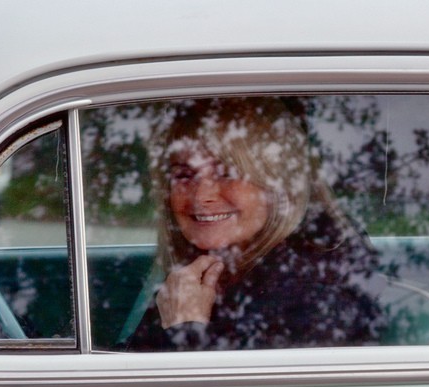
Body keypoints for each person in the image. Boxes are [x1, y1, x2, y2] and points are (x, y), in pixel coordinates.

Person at [125, 97, 383, 351]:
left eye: (228, 173)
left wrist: (185, 328)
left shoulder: (314, 293)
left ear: (277, 185)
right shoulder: (215, 267)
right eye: (184, 174)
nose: (201, 195)